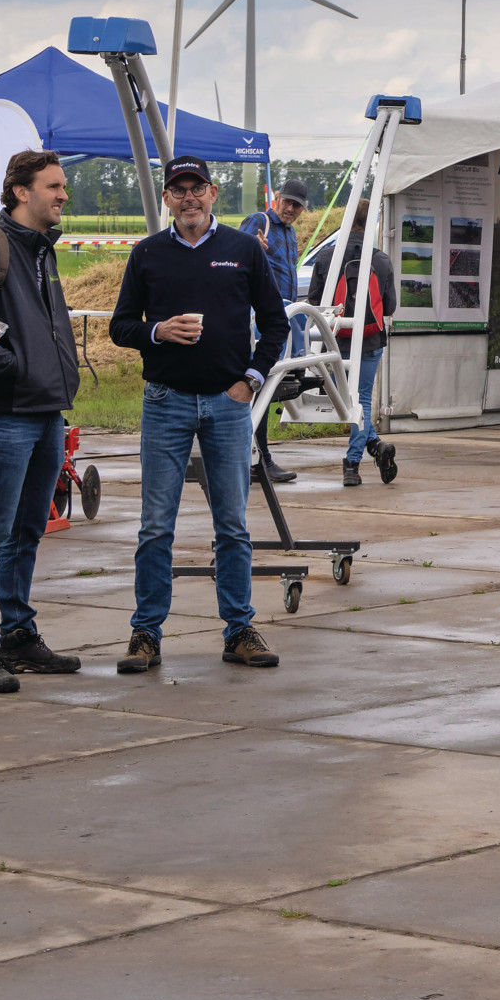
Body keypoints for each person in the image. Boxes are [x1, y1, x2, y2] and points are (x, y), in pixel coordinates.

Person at [108, 155, 289, 672]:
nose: (188, 197)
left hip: (227, 404)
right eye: (178, 189)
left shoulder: (242, 251)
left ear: (213, 194)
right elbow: (121, 326)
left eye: (198, 188)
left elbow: (276, 325)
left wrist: (250, 380)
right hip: (164, 400)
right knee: (155, 525)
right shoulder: (147, 254)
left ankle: (239, 630)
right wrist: (157, 331)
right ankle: (146, 634)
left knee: (232, 523)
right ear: (167, 198)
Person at [0, 149, 86, 694]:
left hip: (47, 412)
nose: (63, 195)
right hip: (5, 414)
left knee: (28, 530)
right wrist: (16, 369)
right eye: (53, 186)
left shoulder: (43, 251)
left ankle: (19, 637)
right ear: (21, 192)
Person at [306, 203, 397, 488]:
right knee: (362, 401)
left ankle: (362, 454)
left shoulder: (327, 257)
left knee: (346, 401)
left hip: (334, 340)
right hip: (370, 340)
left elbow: (314, 301)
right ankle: (358, 459)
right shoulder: (381, 260)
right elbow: (390, 305)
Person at [238, 177, 310, 486]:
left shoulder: (290, 231)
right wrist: (253, 246)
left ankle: (256, 458)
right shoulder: (260, 221)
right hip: (261, 317)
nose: (291, 208)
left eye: (298, 205)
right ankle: (259, 460)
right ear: (276, 197)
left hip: (283, 317)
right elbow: (232, 255)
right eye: (288, 202)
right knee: (260, 388)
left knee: (265, 390)